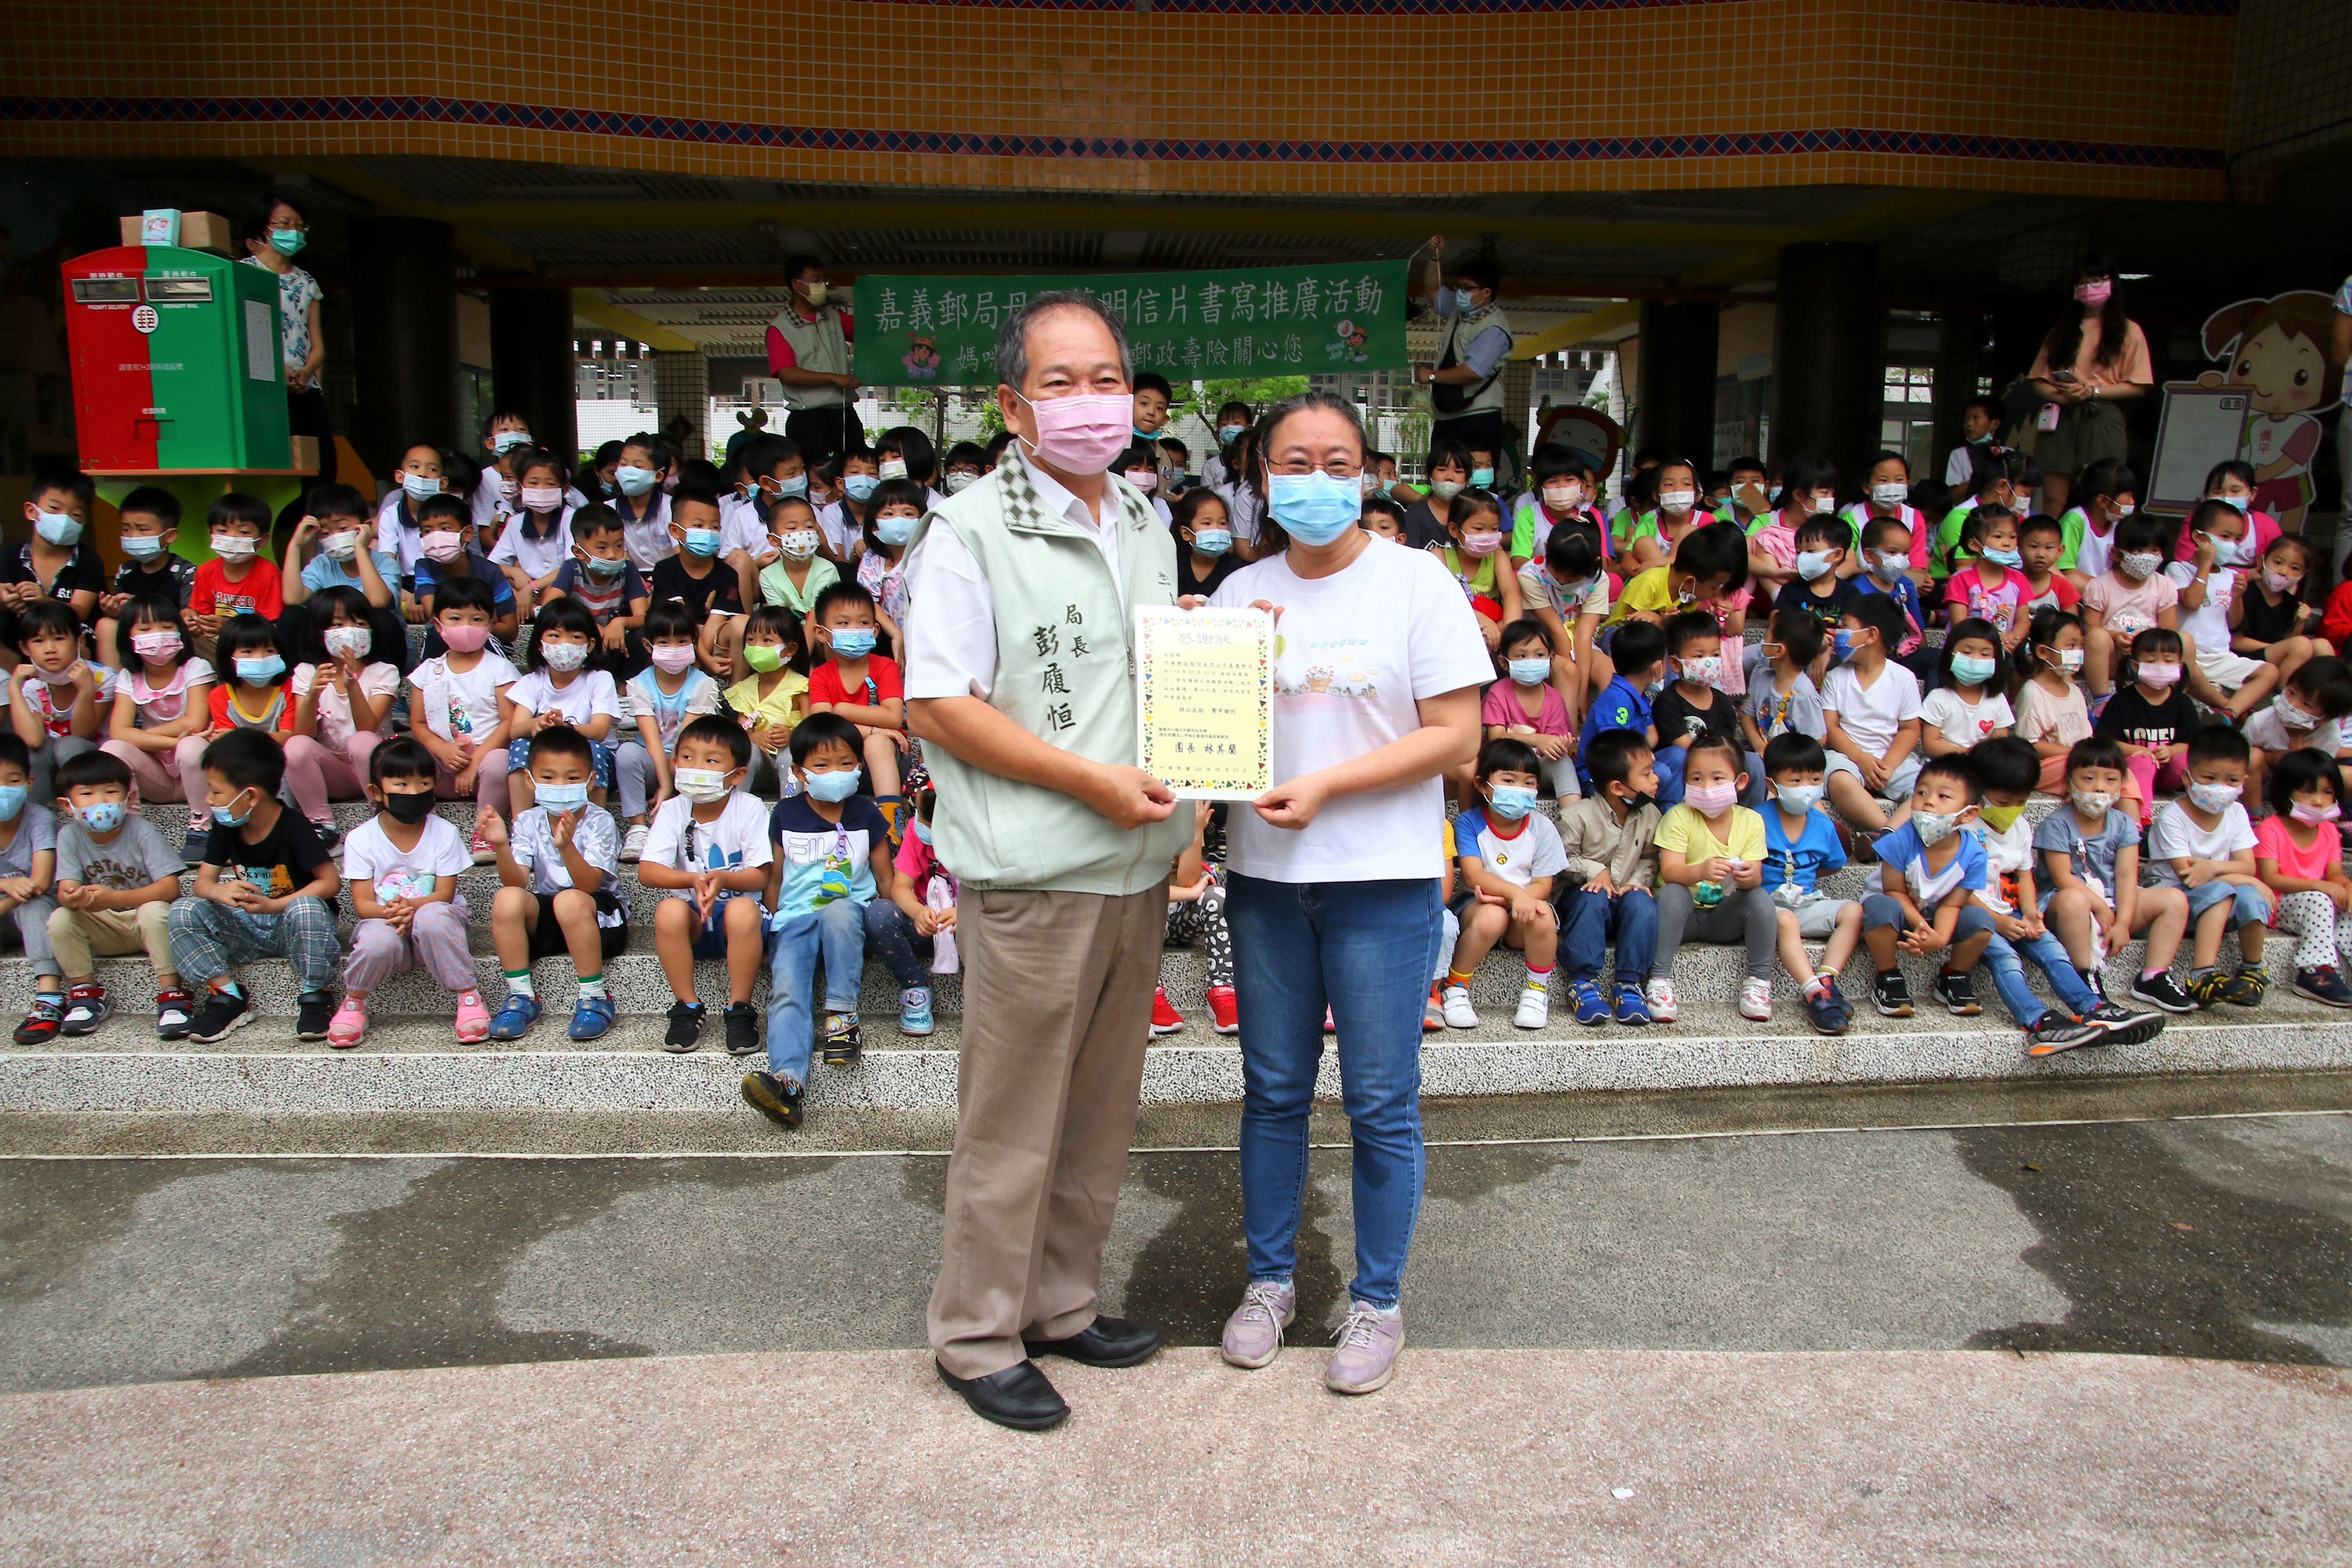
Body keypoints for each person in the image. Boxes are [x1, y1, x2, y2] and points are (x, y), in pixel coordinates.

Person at [900, 291, 1194, 1431]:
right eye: (1061, 383)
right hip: (1034, 870)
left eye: (1107, 378)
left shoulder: (1143, 514)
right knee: (1013, 1115)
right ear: (1012, 404)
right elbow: (937, 707)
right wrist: (1088, 781)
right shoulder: (967, 530)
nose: (1091, 402)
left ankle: (1061, 1302)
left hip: (1134, 860)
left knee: (1096, 1109)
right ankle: (976, 1333)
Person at [1206, 387, 1487, 1398]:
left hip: (1382, 881)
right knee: (1273, 1092)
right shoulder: (1239, 594)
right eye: (1294, 462)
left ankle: (1377, 1299)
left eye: (1337, 463)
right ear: (1260, 475)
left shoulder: (1418, 583)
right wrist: (1215, 662)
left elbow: (1456, 740)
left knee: (1379, 1099)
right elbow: (1212, 745)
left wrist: (1328, 785)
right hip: (1267, 882)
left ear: (1367, 473)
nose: (1315, 481)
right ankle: (1269, 1281)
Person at [1858, 755, 2102, 1052]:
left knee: (1980, 919)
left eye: (1943, 796)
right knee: (1880, 908)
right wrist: (1924, 927)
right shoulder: (1900, 840)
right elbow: (1895, 891)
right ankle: (1889, 977)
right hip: (1897, 912)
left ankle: (1952, 977)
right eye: (1921, 793)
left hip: (1937, 912)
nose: (1928, 803)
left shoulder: (1974, 852)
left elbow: (1953, 904)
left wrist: (1940, 938)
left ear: (1968, 813)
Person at [1970, 737, 2165, 1053]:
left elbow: (2024, 875)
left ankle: (2093, 1008)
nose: (2011, 809)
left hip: (2012, 911)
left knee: (2052, 949)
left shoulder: (2020, 827)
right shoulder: (1964, 827)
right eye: (2004, 801)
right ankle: (2039, 1021)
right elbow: (1954, 889)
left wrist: (2031, 911)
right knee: (2007, 958)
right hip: (1973, 914)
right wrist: (1998, 922)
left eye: (2020, 801)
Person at [167, 729, 342, 1044]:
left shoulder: (294, 826)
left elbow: (330, 882)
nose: (208, 800)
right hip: (248, 926)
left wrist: (276, 905)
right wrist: (219, 891)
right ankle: (227, 996)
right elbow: (203, 882)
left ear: (250, 796)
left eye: (216, 792)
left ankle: (316, 994)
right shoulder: (224, 826)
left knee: (307, 906)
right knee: (183, 910)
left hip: (294, 927)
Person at [327, 737, 487, 1047]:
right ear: (377, 791)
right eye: (401, 784)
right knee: (375, 941)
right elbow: (362, 904)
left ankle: (468, 995)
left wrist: (410, 907)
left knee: (434, 915)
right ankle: (354, 1002)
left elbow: (444, 893)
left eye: (423, 782)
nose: (414, 792)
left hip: (436, 921)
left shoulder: (445, 832)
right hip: (386, 922)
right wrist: (397, 912)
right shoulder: (361, 839)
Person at [479, 724, 629, 1042]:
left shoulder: (600, 820)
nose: (560, 785)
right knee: (506, 898)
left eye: (572, 778)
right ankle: (521, 996)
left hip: (599, 916)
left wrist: (567, 847)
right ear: (530, 781)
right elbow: (516, 881)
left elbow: (590, 884)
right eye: (548, 777)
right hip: (552, 914)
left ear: (590, 781)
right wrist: (501, 846)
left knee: (570, 900)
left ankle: (594, 996)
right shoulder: (528, 821)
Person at [639, 715, 771, 1056]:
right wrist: (692, 879)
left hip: (744, 925)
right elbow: (648, 871)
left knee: (742, 908)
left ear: (738, 774)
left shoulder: (750, 807)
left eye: (711, 760)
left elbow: (761, 875)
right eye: (687, 757)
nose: (696, 767)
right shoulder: (672, 810)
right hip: (694, 922)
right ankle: (687, 1006)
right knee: (668, 910)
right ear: (674, 761)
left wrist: (724, 878)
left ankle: (739, 1008)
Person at [47, 748, 193, 1038]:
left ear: (130, 799)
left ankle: (173, 993)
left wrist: (115, 899)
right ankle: (86, 993)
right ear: (67, 805)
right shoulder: (69, 837)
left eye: (111, 792)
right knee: (61, 918)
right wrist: (72, 897)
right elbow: (66, 889)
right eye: (87, 795)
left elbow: (170, 888)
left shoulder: (142, 831)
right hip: (104, 927)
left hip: (143, 924)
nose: (100, 802)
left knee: (156, 911)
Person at [1441, 737, 1567, 1029]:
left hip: (1521, 911)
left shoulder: (1542, 827)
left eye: (1529, 783)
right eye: (1509, 780)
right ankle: (1456, 987)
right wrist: (1514, 895)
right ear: (1483, 785)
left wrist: (1519, 900)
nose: (1520, 790)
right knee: (1493, 916)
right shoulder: (1469, 823)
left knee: (1544, 914)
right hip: (1477, 904)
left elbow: (1543, 885)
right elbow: (1474, 876)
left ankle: (1536, 992)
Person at [1651, 733, 1775, 1023]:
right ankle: (1659, 981)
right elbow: (1669, 871)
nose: (1706, 788)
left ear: (1740, 781)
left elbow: (1756, 875)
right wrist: (1701, 871)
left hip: (1723, 916)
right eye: (1696, 779)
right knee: (1671, 893)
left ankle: (1759, 984)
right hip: (1683, 917)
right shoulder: (1678, 817)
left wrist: (1747, 877)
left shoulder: (1751, 820)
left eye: (1718, 778)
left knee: (1760, 898)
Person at [2147, 724, 2271, 1009]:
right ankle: (2202, 976)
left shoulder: (2237, 812)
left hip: (2218, 897)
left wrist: (2220, 871)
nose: (2221, 788)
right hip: (2177, 904)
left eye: (2232, 781)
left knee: (2250, 897)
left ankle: (2253, 969)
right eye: (2210, 778)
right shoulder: (2172, 817)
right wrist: (2241, 877)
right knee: (2225, 890)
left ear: (2245, 781)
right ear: (2188, 778)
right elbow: (2187, 874)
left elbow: (2247, 865)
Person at [2028, 259, 2153, 517]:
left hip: (2102, 415)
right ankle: (2052, 551)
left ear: (2112, 284)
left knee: (2102, 496)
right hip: (2061, 416)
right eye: (2082, 283)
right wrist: (2061, 396)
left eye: (2097, 281)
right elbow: (2039, 381)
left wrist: (2093, 392)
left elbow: (2139, 386)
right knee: (2054, 500)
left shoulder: (2130, 331)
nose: (2089, 288)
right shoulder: (2062, 331)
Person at [1557, 729, 1662, 1027]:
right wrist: (1595, 871)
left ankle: (1629, 983)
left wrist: (1638, 881)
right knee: (1592, 897)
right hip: (1580, 900)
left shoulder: (1650, 815)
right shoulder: (1577, 815)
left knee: (1643, 902)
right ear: (1618, 787)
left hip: (1623, 897)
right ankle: (1583, 982)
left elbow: (1650, 857)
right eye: (1647, 774)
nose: (1656, 779)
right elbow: (1561, 860)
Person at [407, 575, 519, 858]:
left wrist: (475, 763)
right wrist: (442, 750)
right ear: (438, 624)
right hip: (442, 771)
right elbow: (418, 725)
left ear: (491, 622)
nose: (466, 627)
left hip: (485, 771)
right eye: (455, 618)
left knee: (501, 760)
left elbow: (509, 722)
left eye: (476, 619)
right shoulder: (427, 672)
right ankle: (417, 826)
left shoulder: (500, 669)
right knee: (406, 754)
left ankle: (485, 831)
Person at [1755, 732, 1859, 1035]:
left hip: (1806, 902)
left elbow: (1832, 865)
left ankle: (1828, 977)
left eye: (1815, 780)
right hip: (1768, 907)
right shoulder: (1756, 819)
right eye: (1796, 781)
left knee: (1853, 911)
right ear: (1772, 784)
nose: (1807, 789)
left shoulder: (1824, 825)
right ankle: (1814, 993)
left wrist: (1805, 879)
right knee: (1786, 921)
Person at [616, 602, 724, 860]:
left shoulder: (703, 684)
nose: (673, 649)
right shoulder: (640, 684)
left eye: (682, 641)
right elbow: (652, 740)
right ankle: (638, 828)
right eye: (664, 642)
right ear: (648, 646)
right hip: (652, 763)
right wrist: (664, 784)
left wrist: (673, 774)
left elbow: (685, 741)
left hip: (686, 762)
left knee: (698, 758)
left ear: (694, 643)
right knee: (627, 752)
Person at [500, 597, 620, 817]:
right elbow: (515, 729)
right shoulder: (532, 681)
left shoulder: (600, 679)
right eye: (555, 636)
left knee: (594, 749)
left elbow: (600, 731)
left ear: (590, 644)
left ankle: (596, 825)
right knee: (519, 747)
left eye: (575, 637)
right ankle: (521, 824)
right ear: (540, 644)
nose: (564, 644)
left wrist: (566, 728)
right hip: (548, 764)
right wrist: (536, 724)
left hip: (592, 760)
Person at [2254, 747, 2352, 1007]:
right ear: (2286, 792)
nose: (2319, 801)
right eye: (2308, 792)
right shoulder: (2270, 829)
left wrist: (2347, 888)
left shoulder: (2330, 831)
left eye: (2327, 792)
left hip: (2312, 899)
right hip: (2277, 902)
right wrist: (2323, 886)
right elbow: (2270, 878)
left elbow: (2336, 876)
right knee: (2321, 898)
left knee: (2346, 903)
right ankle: (2315, 971)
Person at [806, 581, 907, 830]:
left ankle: (890, 828)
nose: (854, 630)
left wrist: (841, 711)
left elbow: (894, 717)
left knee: (877, 743)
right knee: (824, 744)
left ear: (875, 630)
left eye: (863, 623)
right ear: (821, 633)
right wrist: (874, 728)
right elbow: (822, 723)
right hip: (838, 765)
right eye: (843, 623)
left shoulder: (886, 667)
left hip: (887, 763)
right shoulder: (820, 675)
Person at [2168, 497, 2279, 721]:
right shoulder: (2178, 569)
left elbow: (2234, 622)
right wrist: (2206, 565)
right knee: (2186, 672)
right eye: (2225, 537)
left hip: (2221, 657)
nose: (2233, 544)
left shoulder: (2231, 576)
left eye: (2238, 539)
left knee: (2270, 672)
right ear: (2199, 537)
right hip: (2192, 657)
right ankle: (2230, 709)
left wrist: (2237, 597)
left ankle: (2229, 713)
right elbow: (2191, 602)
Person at [98, 596, 214, 809]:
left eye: (167, 627)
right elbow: (119, 733)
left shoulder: (197, 667)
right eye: (145, 629)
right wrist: (174, 743)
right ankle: (131, 824)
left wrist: (142, 737)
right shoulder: (128, 676)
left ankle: (202, 824)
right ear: (127, 637)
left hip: (201, 773)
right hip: (156, 777)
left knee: (192, 746)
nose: (158, 635)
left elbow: (194, 724)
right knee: (112, 749)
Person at [1820, 595, 1923, 833]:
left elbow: (1910, 729)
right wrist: (1860, 758)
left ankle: (1887, 837)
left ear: (1871, 635)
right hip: (1846, 757)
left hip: (1891, 760)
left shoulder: (1903, 678)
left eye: (1845, 626)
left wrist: (1887, 766)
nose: (1839, 633)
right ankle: (1890, 833)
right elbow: (1831, 727)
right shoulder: (1836, 677)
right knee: (1839, 780)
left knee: (1928, 787)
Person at [1412, 236, 1513, 462]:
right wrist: (1435, 258)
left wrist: (1431, 376)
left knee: (1477, 481)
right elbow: (1433, 289)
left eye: (1467, 288)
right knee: (1442, 477)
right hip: (1448, 417)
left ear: (1486, 293)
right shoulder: (1461, 311)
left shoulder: (1493, 328)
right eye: (1459, 286)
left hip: (1478, 419)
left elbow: (1473, 372)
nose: (1460, 292)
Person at [239, 191, 329, 441]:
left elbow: (317, 343)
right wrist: (279, 370)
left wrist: (307, 370)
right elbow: (240, 336)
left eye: (300, 225)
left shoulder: (307, 281)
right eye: (285, 223)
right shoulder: (244, 273)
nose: (294, 230)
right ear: (264, 228)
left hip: (305, 389)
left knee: (320, 466)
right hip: (263, 388)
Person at [1651, 610, 1761, 808]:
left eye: (1716, 654)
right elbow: (1684, 745)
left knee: (1752, 762)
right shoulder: (1667, 702)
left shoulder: (1724, 702)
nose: (1710, 662)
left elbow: (1727, 744)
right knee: (1680, 755)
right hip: (1687, 770)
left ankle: (1748, 816)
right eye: (1699, 656)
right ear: (1676, 663)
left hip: (1718, 765)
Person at [764, 254, 859, 467]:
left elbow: (868, 333)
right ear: (796, 285)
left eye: (822, 280)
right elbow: (787, 373)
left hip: (843, 411)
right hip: (808, 418)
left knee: (857, 468)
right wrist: (835, 379)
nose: (821, 286)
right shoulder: (780, 329)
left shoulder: (833, 317)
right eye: (815, 280)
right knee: (814, 475)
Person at [10, 599, 105, 809]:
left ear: (79, 642)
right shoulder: (31, 686)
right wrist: (14, 689)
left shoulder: (103, 678)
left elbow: (83, 734)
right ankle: (36, 824)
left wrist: (87, 691)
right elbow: (33, 740)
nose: (50, 649)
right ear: (24, 648)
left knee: (67, 745)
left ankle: (88, 815)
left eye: (59, 638)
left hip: (97, 769)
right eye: (38, 641)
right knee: (36, 752)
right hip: (51, 771)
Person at [2094, 627, 2192, 825]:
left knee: (2186, 762)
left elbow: (2192, 742)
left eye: (2168, 660)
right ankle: (2143, 817)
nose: (2160, 665)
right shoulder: (2122, 702)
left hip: (2168, 775)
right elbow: (2106, 741)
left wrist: (2172, 751)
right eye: (2151, 660)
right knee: (2142, 760)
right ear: (2135, 665)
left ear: (2179, 667)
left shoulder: (2183, 703)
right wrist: (2138, 751)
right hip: (2134, 773)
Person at [649, 483, 746, 677]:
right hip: (679, 639)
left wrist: (706, 657)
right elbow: (682, 622)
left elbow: (715, 622)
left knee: (742, 623)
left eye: (715, 527)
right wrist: (705, 660)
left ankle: (736, 694)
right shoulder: (664, 570)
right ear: (675, 531)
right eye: (699, 526)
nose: (708, 532)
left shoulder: (727, 573)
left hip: (714, 640)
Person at [0, 734, 60, 1040]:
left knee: (34, 904)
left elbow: (41, 881)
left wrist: (12, 895)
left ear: (28, 782)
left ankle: (49, 999)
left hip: (40, 911)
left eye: (12, 780)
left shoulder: (39, 819)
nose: (3, 791)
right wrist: (7, 886)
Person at [1518, 524, 1609, 717]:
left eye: (1573, 576)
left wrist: (1582, 692)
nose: (1564, 580)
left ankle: (1611, 731)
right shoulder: (1530, 575)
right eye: (1558, 571)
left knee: (1609, 670)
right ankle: (1568, 741)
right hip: (1542, 643)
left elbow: (1584, 635)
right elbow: (1556, 629)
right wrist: (1575, 684)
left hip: (1581, 644)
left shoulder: (1599, 580)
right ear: (1547, 551)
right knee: (1568, 672)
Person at [545, 505, 649, 675]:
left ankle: (627, 686)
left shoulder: (627, 569)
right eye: (602, 548)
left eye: (619, 546)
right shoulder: (572, 568)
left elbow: (643, 616)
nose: (612, 555)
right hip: (583, 643)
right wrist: (590, 627)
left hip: (616, 642)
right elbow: (550, 605)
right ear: (579, 552)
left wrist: (621, 622)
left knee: (644, 635)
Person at [96, 485, 192, 662]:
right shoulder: (126, 571)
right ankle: (114, 683)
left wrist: (141, 610)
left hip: (170, 642)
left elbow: (187, 619)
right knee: (106, 624)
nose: (133, 536)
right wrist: (114, 611)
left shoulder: (185, 572)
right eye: (126, 529)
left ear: (170, 535)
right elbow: (124, 621)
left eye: (143, 530)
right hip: (135, 641)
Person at [1482, 619, 1576, 799]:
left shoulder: (1555, 698)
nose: (1531, 661)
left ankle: (1574, 815)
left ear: (1551, 658)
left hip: (1536, 769)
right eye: (1522, 656)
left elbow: (1554, 741)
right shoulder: (1498, 693)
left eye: (1540, 655)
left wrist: (1560, 744)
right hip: (1505, 767)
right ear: (1504, 662)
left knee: (1563, 763)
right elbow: (1496, 737)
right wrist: (1537, 740)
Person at [2244, 656, 2352, 807]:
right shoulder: (2260, 721)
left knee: (2348, 776)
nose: (2292, 704)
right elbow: (2240, 759)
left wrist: (2302, 761)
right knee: (2253, 756)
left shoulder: (2330, 735)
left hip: (2301, 787)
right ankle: (2254, 816)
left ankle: (2324, 820)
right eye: (2292, 693)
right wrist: (2275, 758)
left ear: (2325, 718)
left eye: (2307, 704)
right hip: (2261, 782)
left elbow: (2320, 780)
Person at [2232, 533, 2329, 692]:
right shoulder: (2247, 593)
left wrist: (2300, 621)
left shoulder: (2289, 602)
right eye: (2278, 562)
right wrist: (2279, 648)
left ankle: (2327, 699)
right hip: (2244, 656)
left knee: (2322, 645)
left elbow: (2291, 644)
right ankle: (2280, 698)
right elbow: (2236, 642)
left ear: (2303, 575)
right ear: (2261, 561)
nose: (2284, 572)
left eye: (2295, 568)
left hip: (2273, 655)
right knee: (2302, 644)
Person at [485, 449, 576, 609]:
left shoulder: (571, 518)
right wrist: (514, 573)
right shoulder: (516, 523)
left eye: (550, 484)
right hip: (525, 589)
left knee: (560, 586)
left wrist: (532, 587)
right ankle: (532, 610)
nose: (541, 489)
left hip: (558, 590)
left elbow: (573, 565)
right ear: (521, 488)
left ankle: (537, 611)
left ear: (564, 489)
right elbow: (491, 565)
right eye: (533, 483)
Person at [1920, 618, 2013, 757]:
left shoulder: (1997, 699)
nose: (1975, 659)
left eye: (1985, 654)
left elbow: (2000, 740)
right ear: (1951, 655)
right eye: (1967, 652)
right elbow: (1930, 744)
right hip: (1946, 766)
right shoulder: (1938, 698)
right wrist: (1969, 754)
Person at [1741, 610, 1826, 756]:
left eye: (1767, 636)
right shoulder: (1762, 674)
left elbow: (1818, 740)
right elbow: (1747, 716)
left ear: (1779, 650)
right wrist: (1759, 745)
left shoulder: (1804, 695)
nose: (1763, 642)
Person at [757, 494, 841, 635]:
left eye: (809, 527)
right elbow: (782, 620)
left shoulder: (827, 570)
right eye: (792, 528)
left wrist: (803, 656)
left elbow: (817, 616)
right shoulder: (767, 576)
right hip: (791, 636)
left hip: (824, 636)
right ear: (773, 539)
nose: (802, 533)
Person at [2054, 457, 2136, 583]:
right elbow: (2065, 572)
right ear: (2103, 500)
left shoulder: (2117, 524)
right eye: (2128, 495)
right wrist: (2105, 593)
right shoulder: (2075, 520)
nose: (2132, 502)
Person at [1171, 487, 1242, 597]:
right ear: (1186, 533)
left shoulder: (1237, 571)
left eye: (1222, 523)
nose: (1216, 529)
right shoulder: (1173, 566)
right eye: (1207, 523)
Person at [1944, 396, 2006, 489]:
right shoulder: (1959, 455)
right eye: (1967, 419)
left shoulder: (2008, 455)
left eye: (1976, 418)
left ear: (1995, 424)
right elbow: (1953, 494)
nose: (1969, 424)